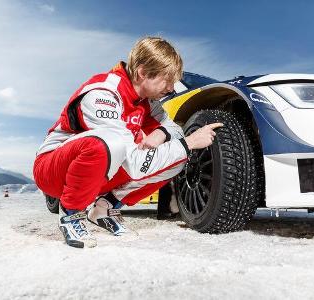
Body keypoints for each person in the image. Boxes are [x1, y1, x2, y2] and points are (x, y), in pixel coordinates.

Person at [33, 37, 222, 248]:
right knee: (111, 143)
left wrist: (161, 133)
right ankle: (70, 212)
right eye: (166, 80)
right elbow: (133, 162)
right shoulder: (103, 93)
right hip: (53, 170)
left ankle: (104, 209)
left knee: (176, 159)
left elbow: (174, 130)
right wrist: (188, 143)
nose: (170, 88)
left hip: (101, 171)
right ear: (142, 73)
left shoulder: (148, 102)